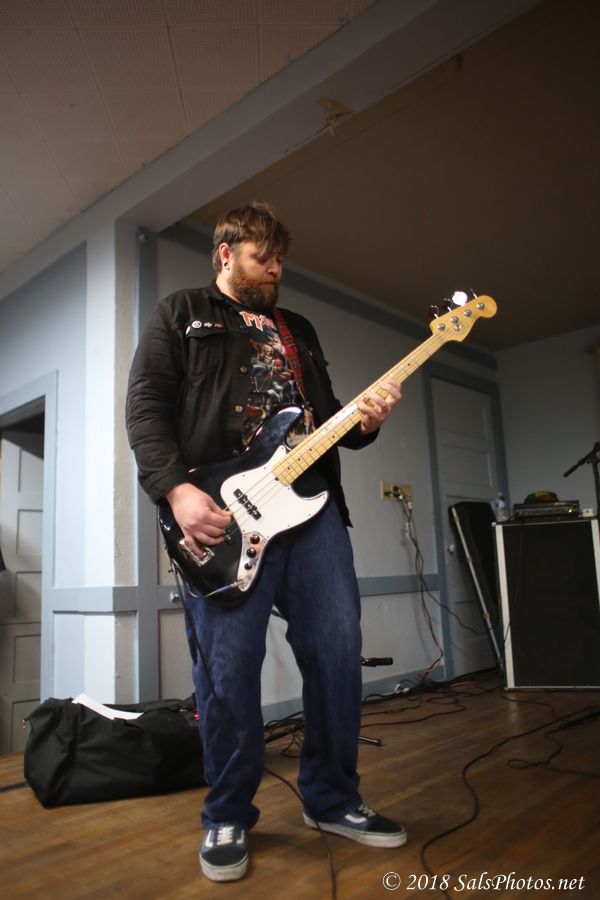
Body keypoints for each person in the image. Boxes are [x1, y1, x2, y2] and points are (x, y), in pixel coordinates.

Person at [126, 201, 405, 883]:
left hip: (313, 513)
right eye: (262, 258)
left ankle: (332, 798)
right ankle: (227, 812)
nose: (276, 269)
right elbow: (146, 408)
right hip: (223, 512)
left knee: (337, 651)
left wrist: (366, 422)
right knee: (228, 669)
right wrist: (177, 491)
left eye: (281, 259)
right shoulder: (181, 313)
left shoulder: (297, 328)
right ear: (226, 253)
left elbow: (326, 422)